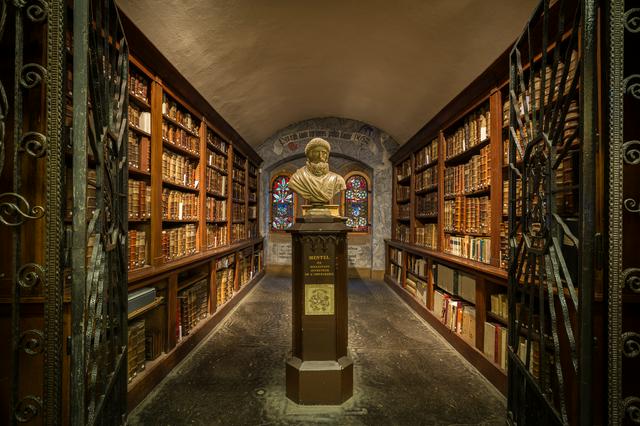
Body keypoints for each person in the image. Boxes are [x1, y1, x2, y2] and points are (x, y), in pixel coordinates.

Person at [289, 138, 346, 204]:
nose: (320, 156)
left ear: (327, 156)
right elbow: (292, 185)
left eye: (324, 153)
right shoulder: (297, 178)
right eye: (316, 152)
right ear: (309, 155)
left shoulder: (337, 179)